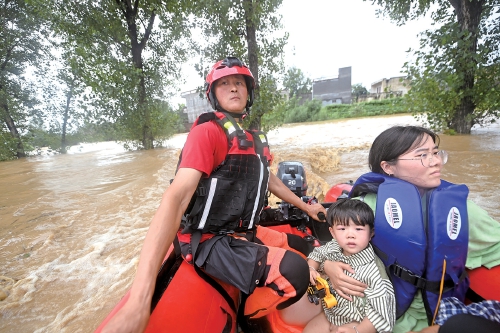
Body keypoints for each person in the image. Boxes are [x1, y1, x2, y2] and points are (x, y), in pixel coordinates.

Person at [101, 56, 326, 333]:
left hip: (242, 231)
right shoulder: (207, 134)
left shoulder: (252, 139)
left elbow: (271, 182)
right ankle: (249, 314)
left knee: (302, 242)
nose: (233, 88)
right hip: (207, 240)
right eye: (224, 84)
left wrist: (306, 208)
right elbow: (175, 198)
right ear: (213, 94)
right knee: (296, 271)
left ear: (249, 92)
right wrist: (139, 300)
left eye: (239, 83)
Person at [321, 126, 500, 333]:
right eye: (422, 155)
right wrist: (328, 266)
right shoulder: (366, 206)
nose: (436, 161)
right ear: (388, 167)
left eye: (435, 153)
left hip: (432, 315)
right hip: (373, 308)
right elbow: (333, 248)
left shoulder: (460, 211)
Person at [303, 198, 395, 333]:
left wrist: (357, 330)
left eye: (358, 229)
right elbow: (318, 254)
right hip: (333, 313)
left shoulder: (373, 272)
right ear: (332, 233)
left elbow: (381, 314)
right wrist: (311, 267)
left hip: (358, 322)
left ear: (371, 234)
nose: (350, 235)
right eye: (342, 228)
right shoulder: (334, 246)